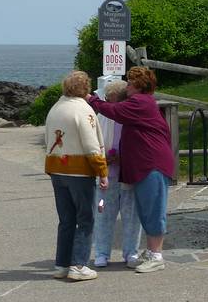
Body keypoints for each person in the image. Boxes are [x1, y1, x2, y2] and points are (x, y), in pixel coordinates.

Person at [89, 66, 174, 273]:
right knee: (146, 210)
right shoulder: (145, 102)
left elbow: (113, 111)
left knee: (153, 210)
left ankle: (156, 256)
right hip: (147, 164)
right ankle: (152, 252)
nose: (127, 86)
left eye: (129, 83)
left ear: (138, 85)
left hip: (151, 164)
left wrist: (92, 100)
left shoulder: (139, 102)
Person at [44, 70, 108, 281]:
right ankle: (79, 265)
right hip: (79, 171)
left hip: (57, 168)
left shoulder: (55, 109)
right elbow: (91, 146)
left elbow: (47, 139)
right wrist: (102, 171)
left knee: (66, 220)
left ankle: (62, 264)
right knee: (85, 218)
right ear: (85, 89)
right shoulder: (83, 110)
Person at [92, 79, 142, 268]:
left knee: (131, 214)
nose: (111, 105)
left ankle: (131, 252)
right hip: (107, 175)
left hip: (128, 173)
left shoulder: (130, 116)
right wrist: (102, 156)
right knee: (103, 211)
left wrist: (123, 158)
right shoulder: (103, 116)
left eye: (114, 101)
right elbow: (95, 140)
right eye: (109, 100)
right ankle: (102, 252)